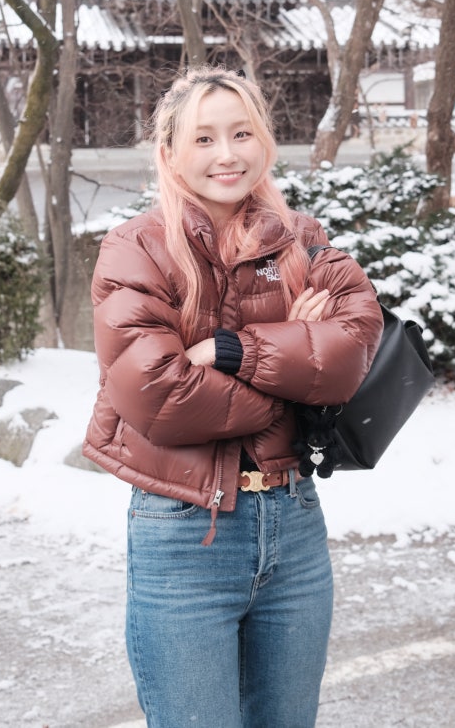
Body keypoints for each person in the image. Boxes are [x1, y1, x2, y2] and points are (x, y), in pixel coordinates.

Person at [83, 66, 383, 728]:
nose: (227, 154)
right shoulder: (136, 248)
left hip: (294, 522)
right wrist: (294, 366)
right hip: (184, 531)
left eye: (242, 133)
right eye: (204, 138)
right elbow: (158, 398)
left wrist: (231, 351)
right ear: (169, 154)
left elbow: (352, 351)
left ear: (264, 140)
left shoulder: (303, 239)